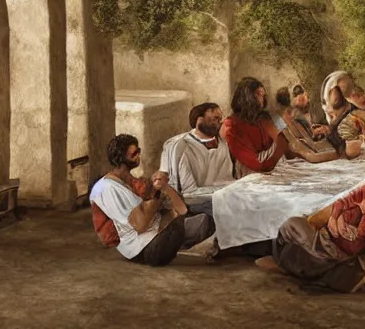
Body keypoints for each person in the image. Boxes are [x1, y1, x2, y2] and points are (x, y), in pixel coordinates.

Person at [255, 156, 365, 292]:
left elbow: (358, 233)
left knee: (289, 225)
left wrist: (341, 218)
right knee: (295, 223)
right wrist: (336, 217)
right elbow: (347, 200)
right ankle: (283, 260)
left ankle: (281, 263)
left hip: (338, 247)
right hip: (332, 234)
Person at [90, 134, 215, 266]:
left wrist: (163, 187)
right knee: (181, 221)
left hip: (157, 230)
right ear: (121, 157)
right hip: (144, 247)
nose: (138, 156)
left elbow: (178, 208)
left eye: (139, 152)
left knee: (207, 221)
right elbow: (140, 225)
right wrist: (159, 197)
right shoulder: (106, 188)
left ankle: (174, 239)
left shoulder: (131, 181)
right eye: (134, 153)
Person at [158, 102, 234, 215]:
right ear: (200, 120)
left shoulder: (222, 145)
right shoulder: (181, 146)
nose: (219, 123)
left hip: (220, 198)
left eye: (220, 119)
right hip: (191, 205)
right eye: (215, 119)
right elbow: (188, 192)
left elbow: (227, 179)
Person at [221, 77, 289, 178]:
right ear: (247, 97)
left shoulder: (262, 119)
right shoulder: (231, 124)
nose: (262, 98)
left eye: (262, 94)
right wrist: (279, 148)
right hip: (249, 173)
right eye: (258, 94)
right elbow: (255, 164)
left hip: (267, 168)